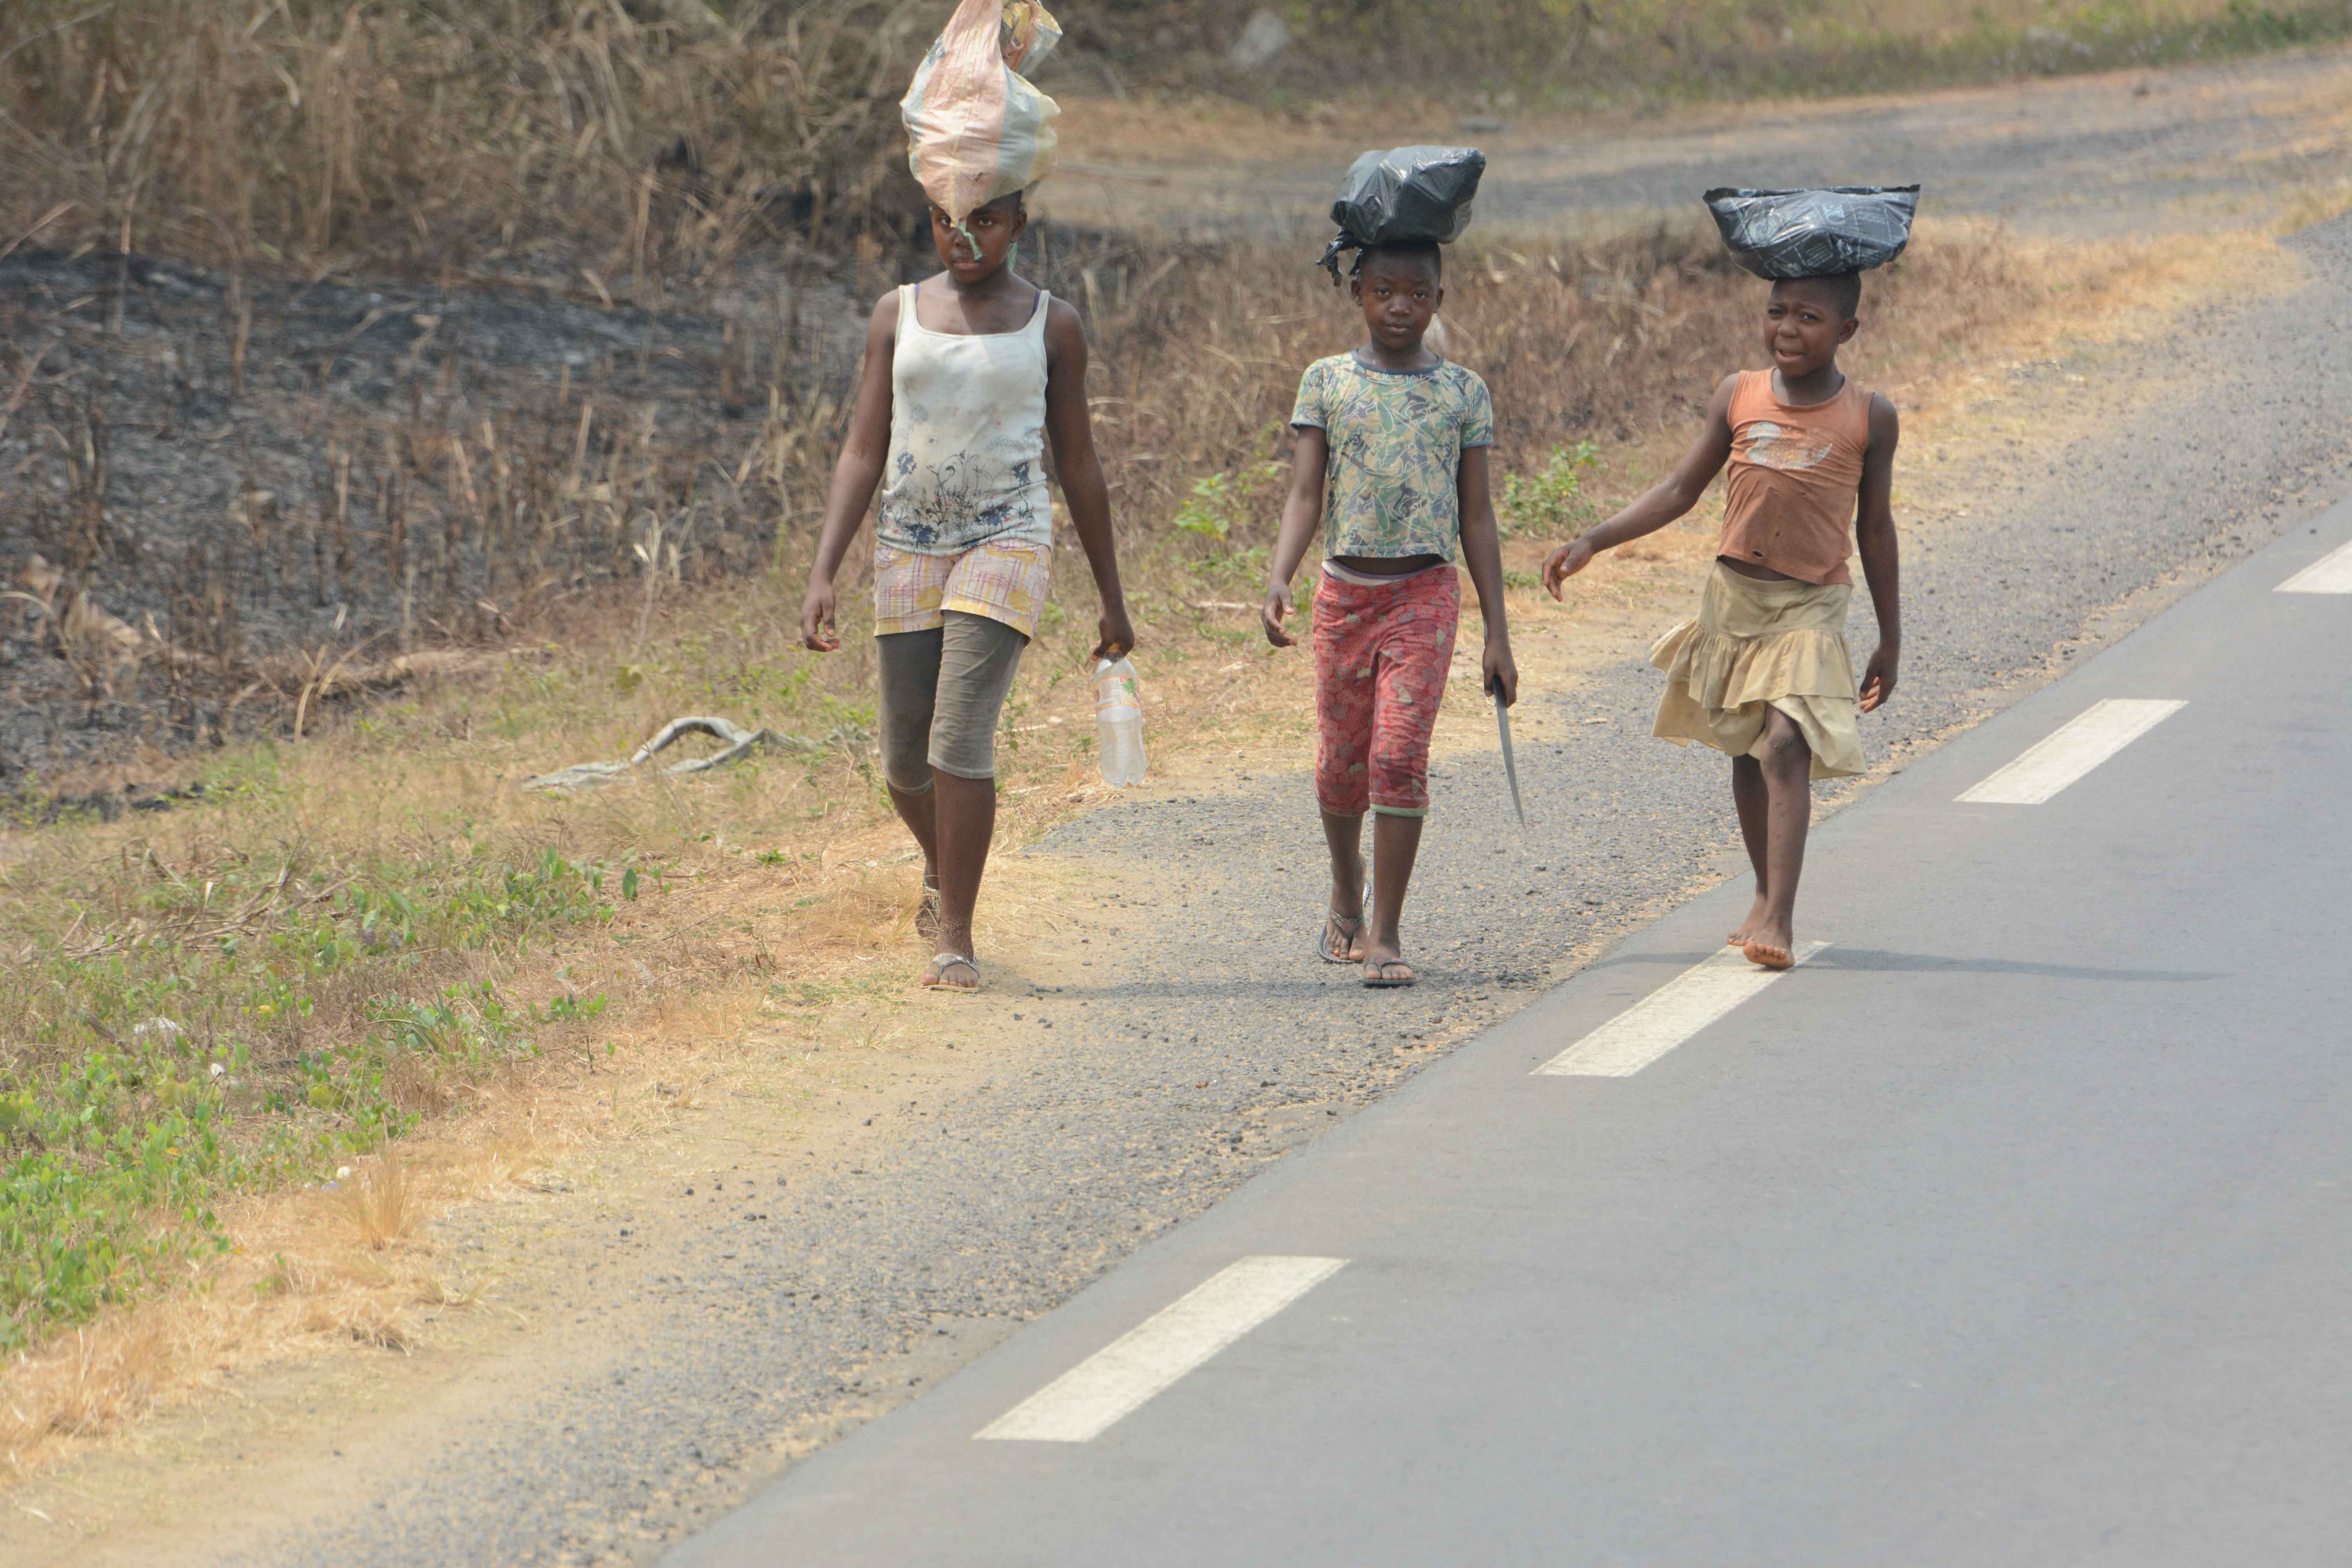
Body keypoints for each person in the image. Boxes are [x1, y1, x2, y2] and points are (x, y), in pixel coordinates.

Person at [800, 190, 1134, 991]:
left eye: (985, 220)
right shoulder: (897, 314)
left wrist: (1111, 595)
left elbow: (1078, 461)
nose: (964, 236)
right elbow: (863, 449)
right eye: (948, 219)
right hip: (907, 542)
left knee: (958, 739)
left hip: (1007, 537)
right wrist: (823, 570)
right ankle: (939, 860)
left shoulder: (1051, 324)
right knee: (904, 762)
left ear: (1018, 224)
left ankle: (955, 934)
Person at [1542, 271, 1901, 970]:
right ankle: (1763, 891)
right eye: (1776, 312)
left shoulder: (1869, 416)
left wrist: (1891, 637)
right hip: (1735, 599)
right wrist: (1594, 540)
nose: (1787, 329)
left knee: (1786, 745)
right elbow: (1681, 489)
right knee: (1745, 748)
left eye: (1809, 317)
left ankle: (1782, 918)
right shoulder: (1739, 394)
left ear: (1848, 331)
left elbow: (1877, 528)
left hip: (1811, 604)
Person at [1262, 239, 1519, 989]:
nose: (1400, 307)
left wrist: (1498, 633)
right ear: (1357, 296)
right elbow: (1306, 494)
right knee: (1341, 766)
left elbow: (1477, 517)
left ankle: (1386, 934)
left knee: (1398, 758)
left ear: (1439, 300)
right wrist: (1279, 576)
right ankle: (1347, 884)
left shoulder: (1463, 392)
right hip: (1344, 598)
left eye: (1416, 293)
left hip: (1424, 595)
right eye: (1383, 292)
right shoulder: (1326, 382)